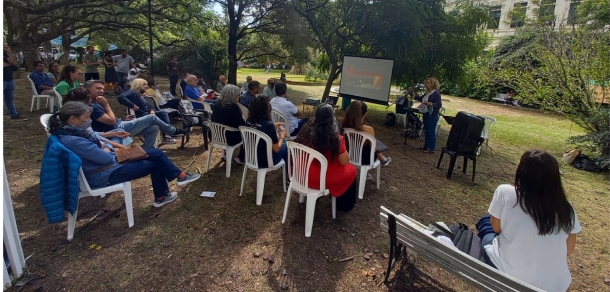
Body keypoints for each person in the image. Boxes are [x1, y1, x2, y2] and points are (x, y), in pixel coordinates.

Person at [48, 102, 201, 207]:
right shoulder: (74, 140)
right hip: (104, 174)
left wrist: (106, 142)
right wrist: (107, 147)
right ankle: (170, 187)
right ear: (73, 119)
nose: (89, 120)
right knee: (157, 161)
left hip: (108, 166)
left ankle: (174, 184)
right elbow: (106, 157)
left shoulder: (73, 130)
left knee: (156, 154)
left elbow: (97, 136)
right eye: (87, 117)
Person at [478, 150, 581, 292]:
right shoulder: (566, 208)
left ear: (522, 172)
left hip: (511, 274)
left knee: (485, 224)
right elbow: (568, 250)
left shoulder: (506, 192)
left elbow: (496, 228)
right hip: (557, 285)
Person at [85, 80, 189, 149]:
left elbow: (110, 119)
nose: (102, 91)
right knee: (152, 118)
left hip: (121, 123)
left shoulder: (97, 103)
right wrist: (107, 105)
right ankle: (173, 131)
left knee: (154, 127)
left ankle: (146, 150)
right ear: (87, 89)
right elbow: (111, 121)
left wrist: (123, 118)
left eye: (103, 89)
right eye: (98, 88)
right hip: (116, 130)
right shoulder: (92, 106)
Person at [295, 104, 358, 212]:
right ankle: (343, 205)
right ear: (332, 118)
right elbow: (344, 161)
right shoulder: (336, 138)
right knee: (352, 170)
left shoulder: (306, 132)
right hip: (320, 180)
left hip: (301, 174)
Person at [117, 78, 178, 144]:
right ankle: (169, 134)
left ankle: (167, 135)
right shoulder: (133, 92)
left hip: (147, 114)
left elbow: (150, 106)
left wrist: (152, 110)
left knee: (162, 113)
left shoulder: (141, 95)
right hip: (140, 116)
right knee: (162, 113)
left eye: (146, 84)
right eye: (144, 84)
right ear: (138, 85)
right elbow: (121, 97)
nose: (146, 86)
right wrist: (132, 105)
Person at [341, 100, 391, 167]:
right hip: (365, 160)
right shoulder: (369, 129)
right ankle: (382, 159)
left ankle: (383, 159)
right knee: (373, 145)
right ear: (365, 114)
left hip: (348, 155)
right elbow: (373, 149)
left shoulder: (343, 126)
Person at [246, 95, 288, 168]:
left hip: (250, 157)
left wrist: (274, 125)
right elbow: (276, 149)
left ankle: (287, 169)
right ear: (266, 109)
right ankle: (289, 171)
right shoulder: (268, 124)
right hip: (265, 161)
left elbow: (259, 127)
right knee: (285, 144)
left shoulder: (248, 121)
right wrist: (282, 136)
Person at [211, 84, 246, 164]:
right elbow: (241, 124)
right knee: (246, 134)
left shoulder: (217, 104)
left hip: (215, 135)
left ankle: (226, 154)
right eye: (238, 95)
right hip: (228, 138)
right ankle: (241, 157)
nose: (239, 97)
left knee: (228, 129)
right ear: (233, 96)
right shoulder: (233, 107)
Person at [414, 77, 442, 154]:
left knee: (431, 131)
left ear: (433, 84)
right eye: (426, 83)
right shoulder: (427, 93)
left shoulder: (436, 93)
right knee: (426, 130)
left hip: (432, 114)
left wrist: (431, 104)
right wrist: (414, 94)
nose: (426, 84)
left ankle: (431, 148)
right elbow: (421, 98)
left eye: (428, 83)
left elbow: (439, 104)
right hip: (426, 113)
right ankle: (426, 146)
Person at [4, 44, 26, 120]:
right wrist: (10, 63)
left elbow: (14, 63)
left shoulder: (5, 53)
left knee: (9, 98)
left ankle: (13, 114)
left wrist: (9, 52)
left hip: (9, 79)